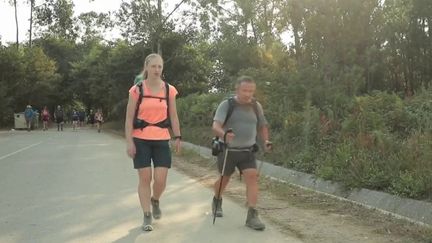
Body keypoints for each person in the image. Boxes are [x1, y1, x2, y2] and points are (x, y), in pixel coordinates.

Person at [125, 53, 181, 231]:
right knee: (145, 177)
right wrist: (129, 142)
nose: (157, 70)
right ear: (147, 67)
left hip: (162, 138)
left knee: (161, 180)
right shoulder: (137, 90)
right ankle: (146, 215)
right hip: (140, 138)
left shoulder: (169, 90)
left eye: (160, 67)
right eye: (154, 66)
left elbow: (173, 114)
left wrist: (178, 136)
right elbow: (128, 119)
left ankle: (155, 199)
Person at [211, 76, 272, 231]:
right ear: (237, 89)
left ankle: (252, 215)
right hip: (228, 151)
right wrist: (224, 134)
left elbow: (262, 125)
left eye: (251, 91)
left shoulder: (256, 106)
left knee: (252, 177)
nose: (248, 94)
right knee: (224, 179)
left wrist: (265, 141)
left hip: (247, 151)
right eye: (245, 90)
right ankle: (217, 199)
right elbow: (215, 126)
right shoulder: (227, 105)